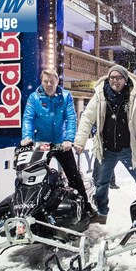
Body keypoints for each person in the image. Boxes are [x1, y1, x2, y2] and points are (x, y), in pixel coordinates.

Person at [74, 65, 136, 224]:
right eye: (112, 77)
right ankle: (102, 214)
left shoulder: (135, 95)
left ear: (125, 79)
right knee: (101, 184)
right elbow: (87, 118)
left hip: (129, 149)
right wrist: (80, 141)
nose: (115, 80)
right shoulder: (100, 95)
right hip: (107, 150)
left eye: (118, 78)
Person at [21, 69, 94, 215]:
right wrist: (27, 136)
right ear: (41, 82)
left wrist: (68, 139)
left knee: (74, 177)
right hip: (40, 144)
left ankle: (86, 207)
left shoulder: (66, 96)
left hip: (61, 144)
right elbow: (28, 118)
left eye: (51, 82)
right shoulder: (34, 98)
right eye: (45, 81)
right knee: (33, 178)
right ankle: (29, 209)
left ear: (57, 82)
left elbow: (71, 119)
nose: (49, 84)